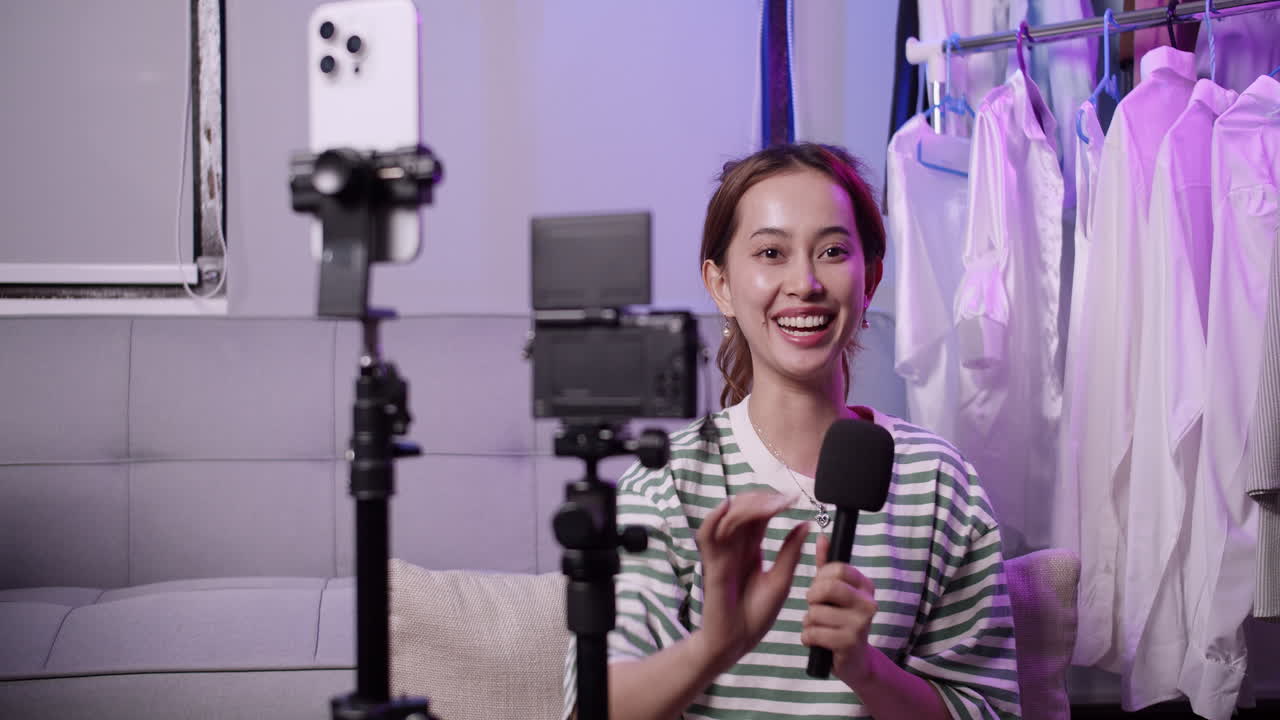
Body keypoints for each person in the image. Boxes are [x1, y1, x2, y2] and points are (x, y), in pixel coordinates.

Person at [562, 143, 1021, 720]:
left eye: (832, 251)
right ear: (721, 284)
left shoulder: (939, 482)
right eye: (771, 253)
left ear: (870, 277)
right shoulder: (666, 484)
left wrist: (866, 669)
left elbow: (990, 710)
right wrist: (715, 645)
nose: (805, 282)